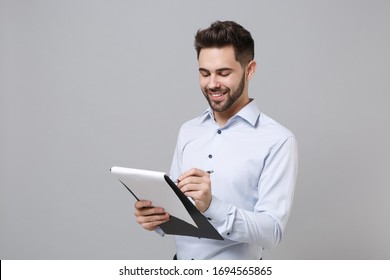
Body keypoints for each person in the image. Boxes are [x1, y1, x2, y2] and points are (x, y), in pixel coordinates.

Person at [134, 20, 298, 260]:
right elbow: (179, 207)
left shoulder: (278, 140)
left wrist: (212, 206)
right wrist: (156, 217)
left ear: (250, 70)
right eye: (204, 73)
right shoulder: (188, 131)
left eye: (223, 73)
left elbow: (271, 232)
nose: (212, 84)